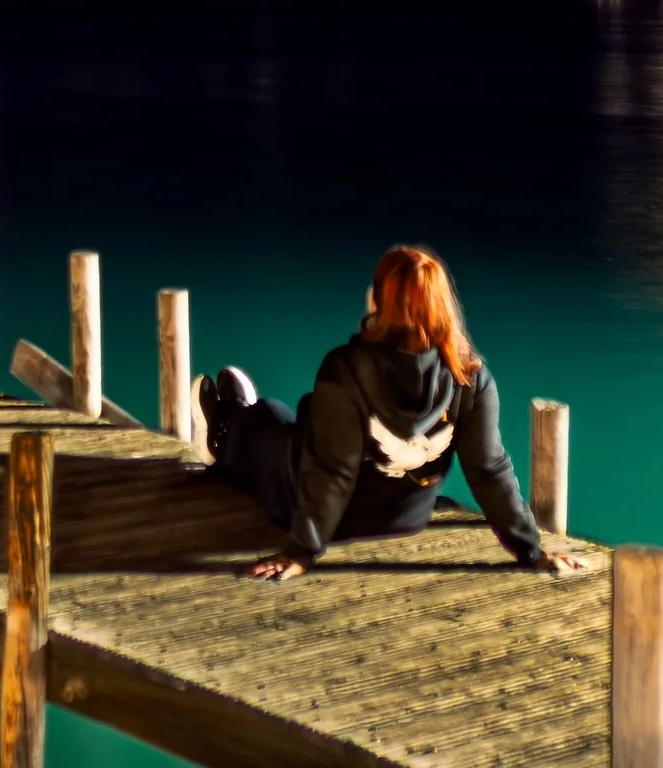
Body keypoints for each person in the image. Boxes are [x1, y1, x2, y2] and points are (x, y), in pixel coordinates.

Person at [195, 243, 583, 586]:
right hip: (404, 519)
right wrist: (531, 551)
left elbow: (333, 472)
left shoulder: (345, 369)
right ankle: (243, 416)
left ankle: (227, 424)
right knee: (305, 417)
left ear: (379, 299)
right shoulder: (470, 377)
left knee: (271, 424)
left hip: (314, 508)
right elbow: (488, 469)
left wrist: (301, 552)